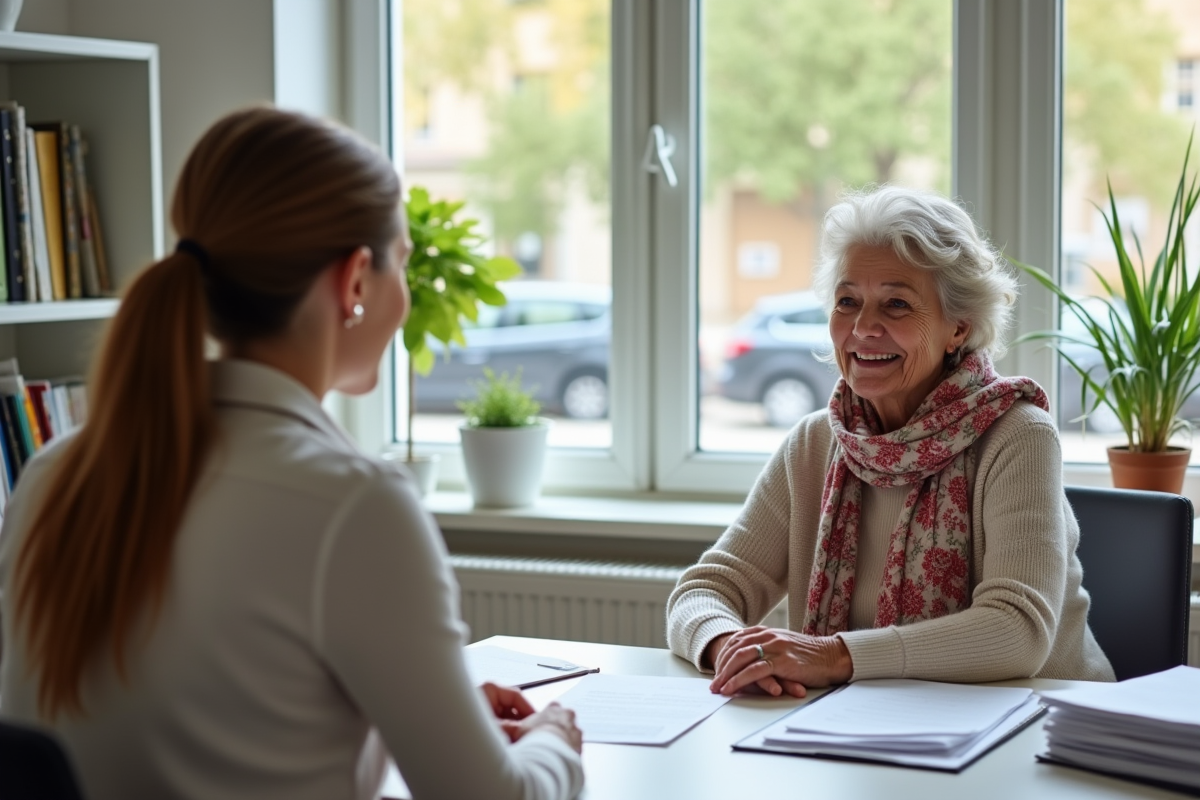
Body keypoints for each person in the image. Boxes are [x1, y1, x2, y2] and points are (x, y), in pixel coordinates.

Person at [0, 107, 583, 800]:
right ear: (354, 283)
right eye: (401, 262)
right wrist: (554, 739)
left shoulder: (51, 475)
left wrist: (426, 706)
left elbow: (212, 718)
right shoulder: (355, 507)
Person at [668, 185, 1115, 699]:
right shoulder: (816, 443)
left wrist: (833, 656)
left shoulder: (1018, 435)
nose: (862, 328)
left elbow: (1016, 631)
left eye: (897, 304)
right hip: (868, 727)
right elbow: (706, 590)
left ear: (958, 328)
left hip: (1044, 729)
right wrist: (729, 646)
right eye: (847, 301)